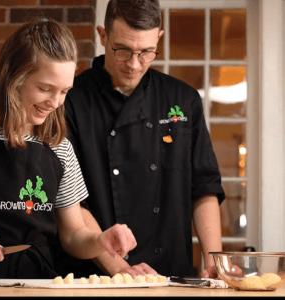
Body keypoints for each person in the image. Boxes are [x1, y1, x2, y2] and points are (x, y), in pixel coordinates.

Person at [61, 0, 225, 278]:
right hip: (97, 277)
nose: (135, 64)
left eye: (147, 52)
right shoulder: (71, 101)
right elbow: (73, 203)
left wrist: (214, 262)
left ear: (159, 38)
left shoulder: (183, 99)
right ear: (103, 36)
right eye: (123, 51)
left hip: (172, 273)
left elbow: (204, 188)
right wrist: (123, 271)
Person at [0, 17, 137, 282]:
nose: (55, 103)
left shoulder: (59, 146)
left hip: (38, 282)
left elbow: (73, 235)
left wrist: (101, 239)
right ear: (14, 77)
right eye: (45, 89)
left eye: (65, 91)